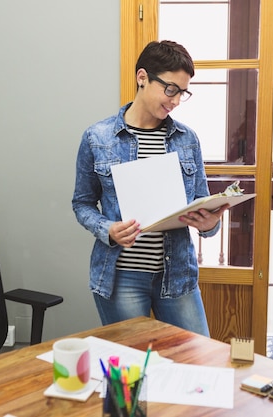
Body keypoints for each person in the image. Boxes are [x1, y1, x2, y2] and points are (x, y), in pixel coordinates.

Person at [72, 40, 228, 337]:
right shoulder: (98, 137)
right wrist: (107, 228)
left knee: (198, 362)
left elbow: (200, 201)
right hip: (122, 278)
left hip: (177, 276)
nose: (176, 100)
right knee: (135, 371)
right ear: (142, 77)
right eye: (170, 89)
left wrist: (210, 224)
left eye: (183, 93)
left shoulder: (187, 139)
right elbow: (81, 203)